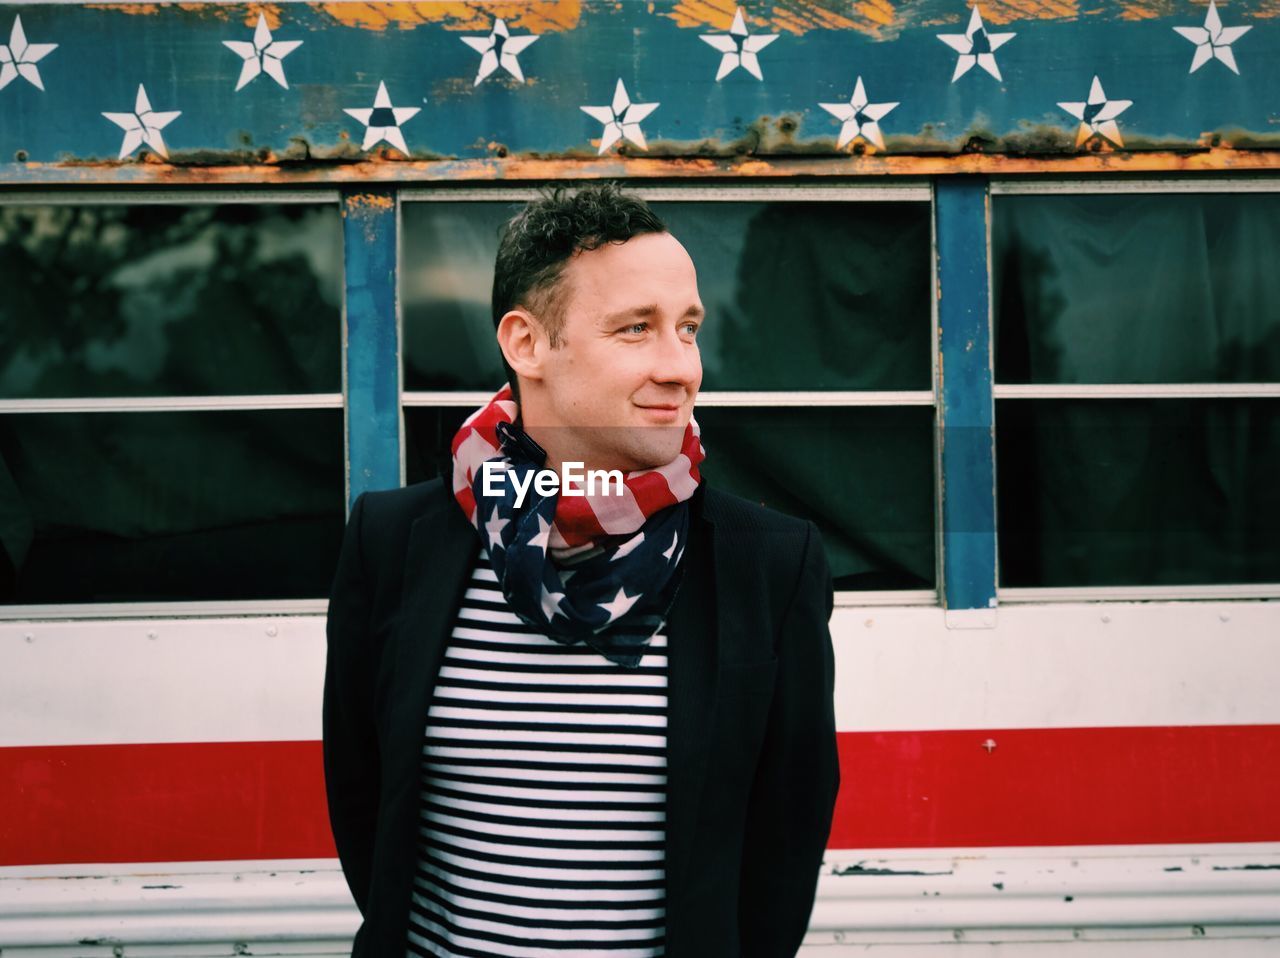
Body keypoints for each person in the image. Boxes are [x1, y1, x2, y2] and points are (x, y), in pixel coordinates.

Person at [322, 181, 840, 958]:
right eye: (637, 329)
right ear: (527, 343)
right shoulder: (394, 544)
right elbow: (366, 805)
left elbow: (783, 846)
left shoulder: (769, 565)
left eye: (689, 329)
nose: (681, 369)